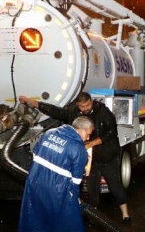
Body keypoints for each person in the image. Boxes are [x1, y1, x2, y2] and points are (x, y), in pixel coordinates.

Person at [19, 92, 132, 222]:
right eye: (82, 106)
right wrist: (31, 102)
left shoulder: (103, 111)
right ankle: (93, 218)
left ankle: (125, 215)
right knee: (92, 190)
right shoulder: (73, 112)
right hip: (92, 160)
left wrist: (91, 143)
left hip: (108, 156)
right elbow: (55, 111)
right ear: (78, 105)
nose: (85, 108)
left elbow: (112, 132)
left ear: (91, 101)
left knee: (115, 187)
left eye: (88, 105)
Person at [18, 116, 94, 232]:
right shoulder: (78, 148)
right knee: (65, 226)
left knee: (37, 223)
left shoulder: (49, 133)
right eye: (88, 134)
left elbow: (36, 153)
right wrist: (75, 200)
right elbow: (76, 181)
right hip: (58, 190)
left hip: (35, 184)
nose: (89, 137)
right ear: (81, 130)